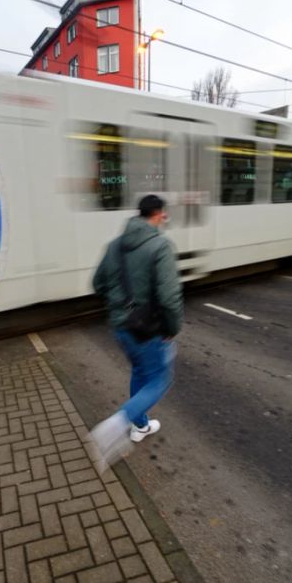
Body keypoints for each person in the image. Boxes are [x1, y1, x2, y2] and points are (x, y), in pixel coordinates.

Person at [89, 194, 183, 469]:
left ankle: (139, 425)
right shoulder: (160, 246)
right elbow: (169, 297)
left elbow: (98, 284)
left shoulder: (115, 245)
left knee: (140, 372)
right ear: (159, 215)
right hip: (148, 329)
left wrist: (120, 305)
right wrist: (172, 328)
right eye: (164, 215)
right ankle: (118, 421)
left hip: (121, 327)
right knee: (160, 379)